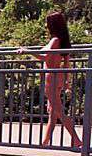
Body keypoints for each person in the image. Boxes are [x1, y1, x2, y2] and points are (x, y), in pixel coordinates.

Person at [18, 12, 83, 148]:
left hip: (51, 78)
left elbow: (44, 57)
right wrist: (66, 80)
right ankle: (45, 142)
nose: (46, 25)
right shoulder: (62, 41)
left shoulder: (55, 41)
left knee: (59, 112)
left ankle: (76, 140)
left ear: (52, 25)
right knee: (53, 113)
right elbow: (66, 63)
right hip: (57, 76)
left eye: (47, 23)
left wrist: (27, 51)